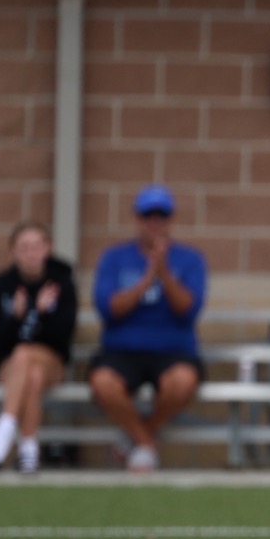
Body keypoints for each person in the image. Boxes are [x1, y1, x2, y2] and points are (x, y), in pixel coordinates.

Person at [89, 184, 208, 473]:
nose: (154, 223)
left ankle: (137, 437)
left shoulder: (191, 259)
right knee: (103, 383)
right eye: (148, 216)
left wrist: (164, 272)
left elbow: (188, 310)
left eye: (161, 216)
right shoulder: (114, 258)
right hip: (122, 349)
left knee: (182, 382)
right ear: (137, 219)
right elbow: (109, 309)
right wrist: (146, 278)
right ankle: (147, 444)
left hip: (173, 348)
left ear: (171, 220)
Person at [0, 222, 79, 472]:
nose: (30, 253)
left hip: (51, 362)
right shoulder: (0, 286)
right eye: (24, 247)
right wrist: (16, 318)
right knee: (31, 373)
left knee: (29, 358)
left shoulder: (62, 284)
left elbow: (63, 339)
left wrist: (42, 313)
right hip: (10, 366)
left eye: (36, 246)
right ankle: (28, 451)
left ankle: (1, 438)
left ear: (47, 249)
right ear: (13, 252)